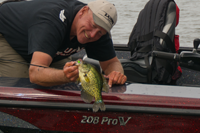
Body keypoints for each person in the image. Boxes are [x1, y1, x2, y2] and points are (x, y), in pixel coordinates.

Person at [0, 0, 127, 87]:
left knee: (68, 85)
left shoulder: (99, 28)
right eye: (92, 26)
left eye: (100, 32)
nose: (93, 34)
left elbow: (112, 62)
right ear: (83, 11)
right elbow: (35, 73)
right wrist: (64, 76)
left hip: (49, 48)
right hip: (8, 37)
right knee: (21, 82)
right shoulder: (52, 21)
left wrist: (116, 74)